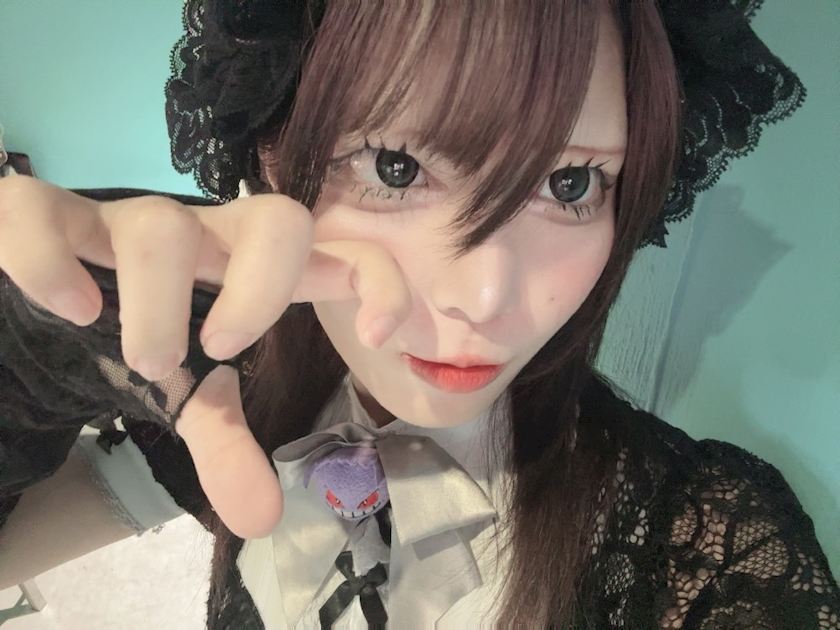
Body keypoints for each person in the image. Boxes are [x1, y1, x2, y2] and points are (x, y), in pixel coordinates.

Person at [0, 1, 837, 628]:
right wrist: (27, 367)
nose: (485, 297)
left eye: (571, 183)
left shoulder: (706, 551)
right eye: (395, 167)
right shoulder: (229, 403)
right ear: (272, 154)